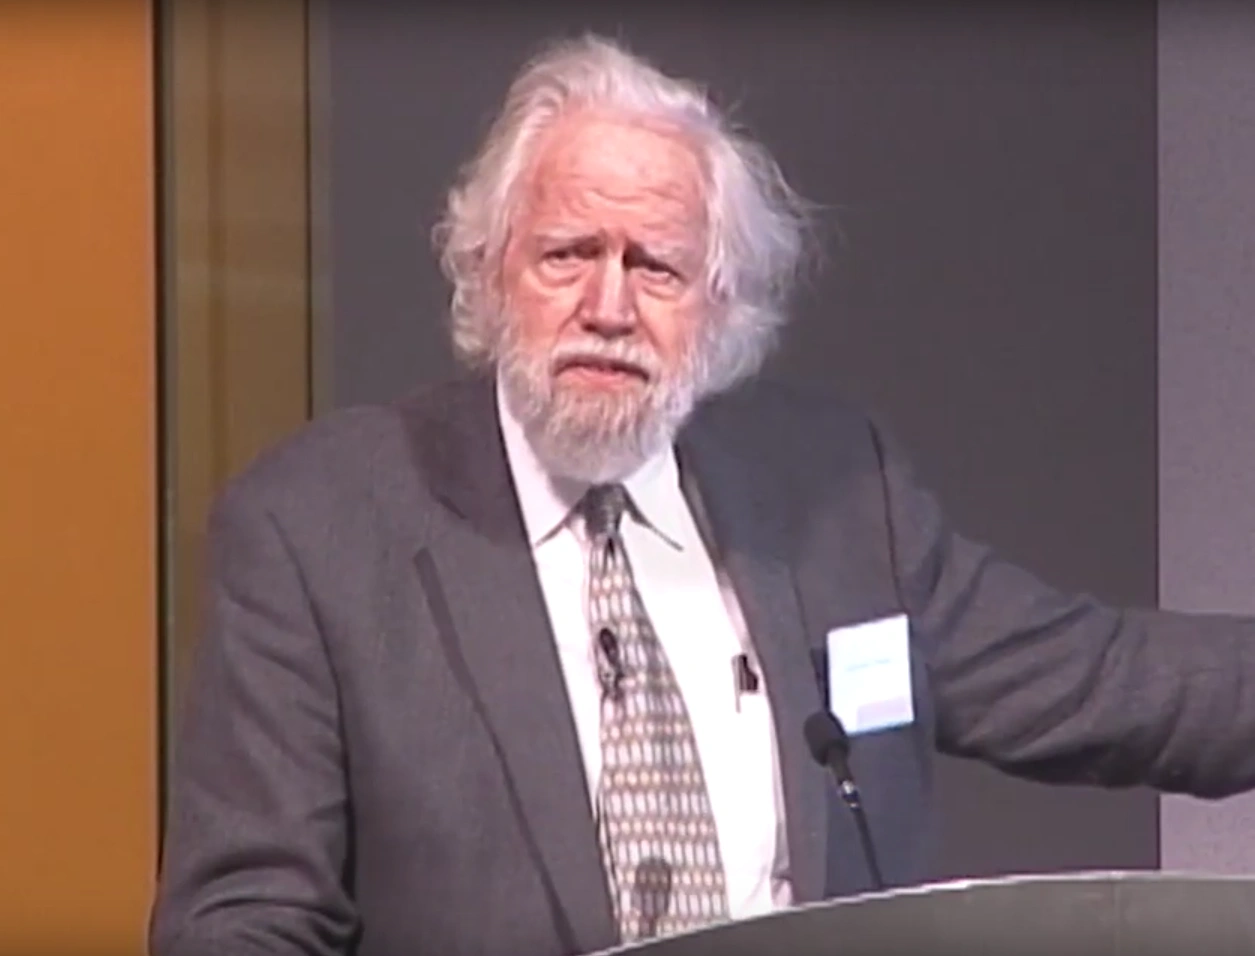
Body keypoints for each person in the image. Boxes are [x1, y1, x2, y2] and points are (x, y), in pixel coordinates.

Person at [150, 34, 1255, 956]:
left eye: (657, 267)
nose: (608, 305)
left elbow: (1104, 678)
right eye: (566, 254)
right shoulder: (321, 528)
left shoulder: (830, 494)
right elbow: (244, 920)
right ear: (487, 273)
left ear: (720, 310)